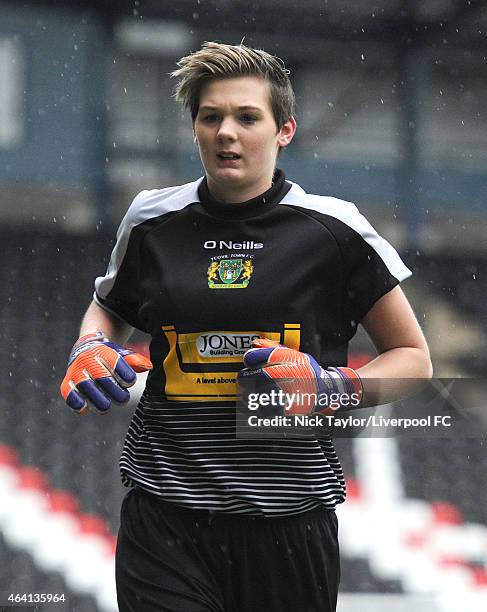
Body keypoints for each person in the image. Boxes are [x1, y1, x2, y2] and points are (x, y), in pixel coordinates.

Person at [61, 42, 432, 612]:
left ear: (285, 130)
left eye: (247, 117)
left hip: (289, 522)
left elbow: (412, 357)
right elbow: (108, 308)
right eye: (211, 118)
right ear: (194, 131)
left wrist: (336, 387)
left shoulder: (336, 231)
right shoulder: (152, 220)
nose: (226, 133)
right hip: (164, 515)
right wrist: (90, 346)